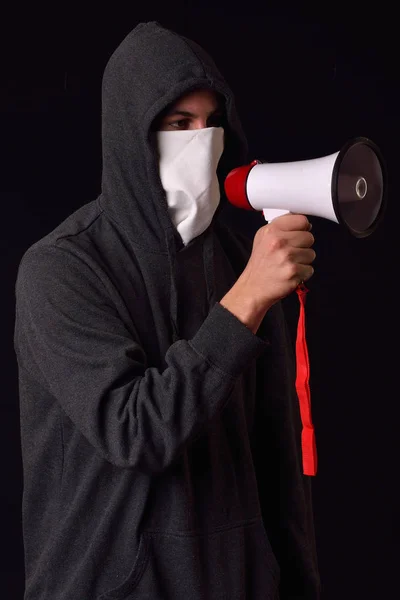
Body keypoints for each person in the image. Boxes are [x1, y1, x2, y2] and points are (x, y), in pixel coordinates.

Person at [14, 20, 320, 599]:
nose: (200, 143)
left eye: (211, 125)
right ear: (134, 133)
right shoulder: (62, 269)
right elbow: (134, 432)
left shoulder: (240, 259)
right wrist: (245, 302)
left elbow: (275, 450)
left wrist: (298, 583)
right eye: (179, 125)